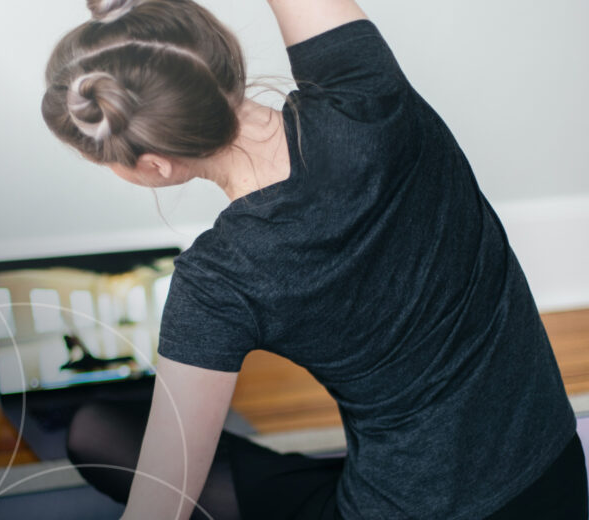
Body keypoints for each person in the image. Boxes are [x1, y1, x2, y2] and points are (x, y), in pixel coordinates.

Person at [41, 0, 589, 518]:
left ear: (154, 166)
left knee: (94, 430)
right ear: (222, 52)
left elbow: (160, 507)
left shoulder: (216, 284)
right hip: (558, 475)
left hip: (406, 509)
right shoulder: (370, 91)